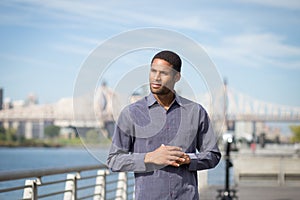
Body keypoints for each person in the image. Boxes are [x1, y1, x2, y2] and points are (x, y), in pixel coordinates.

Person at [106, 50, 221, 199]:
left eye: (164, 73)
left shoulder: (196, 112)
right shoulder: (131, 114)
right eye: (153, 71)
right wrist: (149, 158)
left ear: (177, 77)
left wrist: (189, 159)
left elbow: (213, 155)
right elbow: (114, 160)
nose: (156, 77)